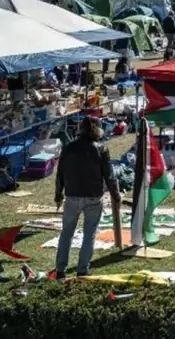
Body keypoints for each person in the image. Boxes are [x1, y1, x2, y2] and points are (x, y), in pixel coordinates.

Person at [54, 117, 120, 279]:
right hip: (93, 197)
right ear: (97, 130)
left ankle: (60, 269)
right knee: (89, 233)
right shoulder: (101, 149)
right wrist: (115, 195)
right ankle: (83, 269)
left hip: (72, 195)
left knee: (66, 233)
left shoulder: (68, 148)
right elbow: (109, 176)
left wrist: (58, 194)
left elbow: (60, 174)